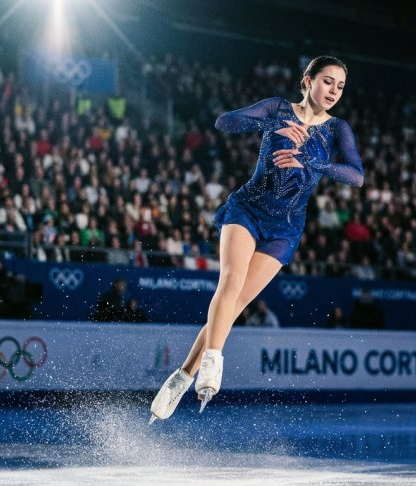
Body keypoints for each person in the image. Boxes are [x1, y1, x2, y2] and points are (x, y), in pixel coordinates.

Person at [150, 56, 362, 422]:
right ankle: (213, 361)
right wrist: (273, 126)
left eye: (340, 86)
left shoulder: (337, 129)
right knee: (230, 282)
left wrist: (312, 162)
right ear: (307, 81)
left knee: (235, 305)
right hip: (247, 209)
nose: (333, 91)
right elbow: (224, 122)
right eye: (327, 81)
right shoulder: (277, 108)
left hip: (285, 228)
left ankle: (181, 377)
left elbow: (356, 176)